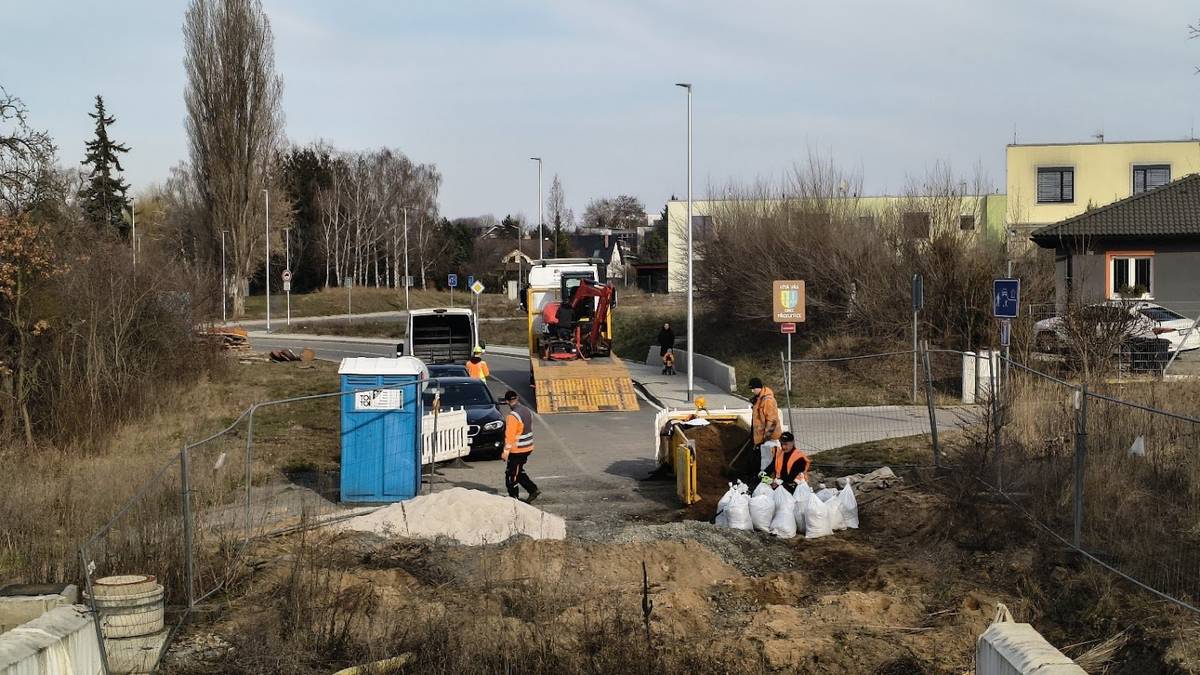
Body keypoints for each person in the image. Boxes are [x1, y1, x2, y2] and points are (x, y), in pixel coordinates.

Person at [501, 390, 540, 503]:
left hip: (518, 449)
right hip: (528, 447)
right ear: (517, 398)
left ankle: (514, 498)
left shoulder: (513, 416)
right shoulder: (527, 411)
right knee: (519, 471)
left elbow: (510, 436)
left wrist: (505, 452)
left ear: (507, 401)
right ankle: (532, 489)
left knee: (511, 474)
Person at [749, 377, 782, 472]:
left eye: (753, 389)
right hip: (761, 437)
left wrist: (766, 436)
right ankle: (760, 477)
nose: (752, 391)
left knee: (767, 461)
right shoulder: (759, 399)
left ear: (758, 387)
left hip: (769, 437)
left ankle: (767, 480)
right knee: (761, 459)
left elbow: (772, 420)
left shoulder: (768, 400)